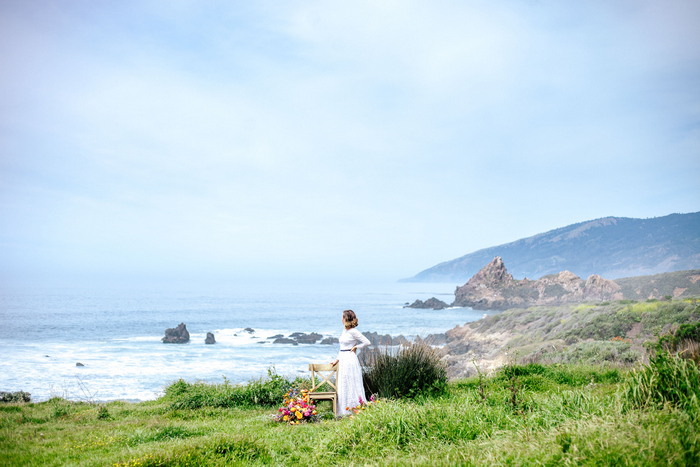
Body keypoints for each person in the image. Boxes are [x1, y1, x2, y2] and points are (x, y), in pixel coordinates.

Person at [330, 309, 371, 416]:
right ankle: (344, 409)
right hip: (342, 358)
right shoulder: (344, 330)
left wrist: (357, 346)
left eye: (342, 317)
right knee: (344, 382)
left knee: (352, 382)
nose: (341, 319)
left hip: (350, 358)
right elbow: (341, 348)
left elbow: (367, 342)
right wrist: (336, 360)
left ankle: (355, 406)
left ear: (346, 318)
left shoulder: (354, 331)